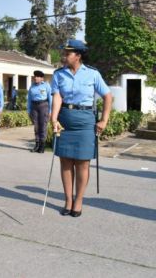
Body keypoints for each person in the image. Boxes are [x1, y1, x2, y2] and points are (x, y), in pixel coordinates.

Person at [51, 39, 112, 217]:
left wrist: (103, 120)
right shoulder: (58, 74)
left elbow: (108, 96)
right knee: (65, 162)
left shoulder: (92, 74)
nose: (63, 56)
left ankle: (78, 201)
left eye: (67, 53)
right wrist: (54, 118)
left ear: (78, 56)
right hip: (65, 120)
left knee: (82, 163)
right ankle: (68, 200)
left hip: (86, 122)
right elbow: (57, 97)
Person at [27, 70, 52, 153]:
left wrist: (50, 110)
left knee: (43, 126)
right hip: (34, 107)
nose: (36, 78)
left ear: (42, 78)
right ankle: (37, 145)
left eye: (38, 76)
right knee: (36, 127)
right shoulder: (32, 86)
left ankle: (42, 146)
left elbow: (50, 99)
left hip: (43, 106)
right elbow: (29, 99)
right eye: (35, 76)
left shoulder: (46, 86)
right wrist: (29, 110)